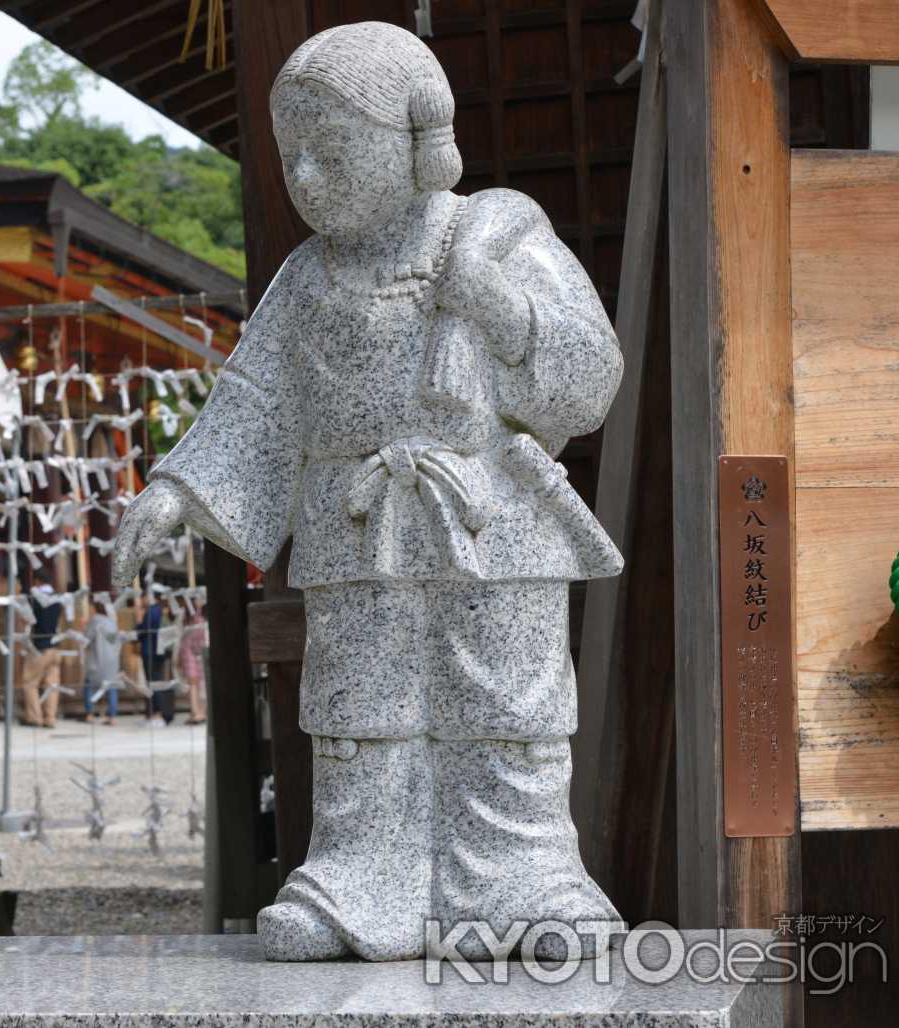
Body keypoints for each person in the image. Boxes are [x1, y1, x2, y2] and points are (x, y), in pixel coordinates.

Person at [112, 22, 623, 962]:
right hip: (358, 529)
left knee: (506, 708)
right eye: (291, 155)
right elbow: (255, 400)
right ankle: (359, 877)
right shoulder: (305, 278)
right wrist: (178, 488)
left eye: (331, 151)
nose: (305, 176)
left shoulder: (498, 234)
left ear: (420, 143)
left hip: (490, 516)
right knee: (360, 712)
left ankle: (529, 879)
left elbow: (588, 377)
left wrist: (493, 304)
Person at [20, 568, 63, 728]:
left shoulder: (35, 598)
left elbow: (27, 619)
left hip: (39, 647)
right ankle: (50, 718)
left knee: (30, 682)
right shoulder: (58, 598)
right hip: (55, 646)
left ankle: (34, 717)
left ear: (37, 581)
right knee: (52, 684)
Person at [134, 592, 172, 726]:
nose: (141, 601)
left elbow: (145, 629)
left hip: (151, 651)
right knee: (154, 682)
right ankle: (155, 714)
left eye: (142, 598)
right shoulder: (158, 610)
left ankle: (158, 715)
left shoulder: (153, 611)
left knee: (153, 682)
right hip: (156, 651)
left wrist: (138, 623)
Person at [81, 606, 122, 725]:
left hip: (97, 659)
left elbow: (86, 639)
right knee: (111, 686)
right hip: (112, 661)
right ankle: (112, 717)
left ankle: (89, 714)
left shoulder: (95, 621)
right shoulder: (112, 623)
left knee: (89, 685)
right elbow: (113, 642)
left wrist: (83, 627)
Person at [176, 606, 209, 725]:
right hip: (188, 649)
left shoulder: (205, 610)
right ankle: (196, 712)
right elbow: (179, 632)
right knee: (193, 682)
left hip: (203, 648)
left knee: (204, 682)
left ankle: (203, 711)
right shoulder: (185, 612)